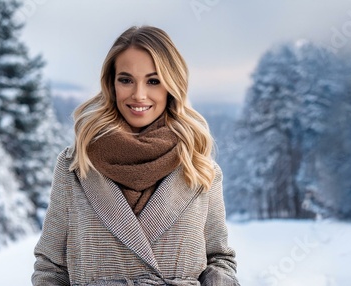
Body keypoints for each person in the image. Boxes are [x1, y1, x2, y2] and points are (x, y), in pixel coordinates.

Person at [32, 26, 240, 286]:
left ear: (171, 86)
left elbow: (219, 258)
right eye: (126, 79)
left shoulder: (199, 168)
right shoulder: (75, 165)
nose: (139, 94)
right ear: (111, 83)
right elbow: (50, 265)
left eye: (153, 81)